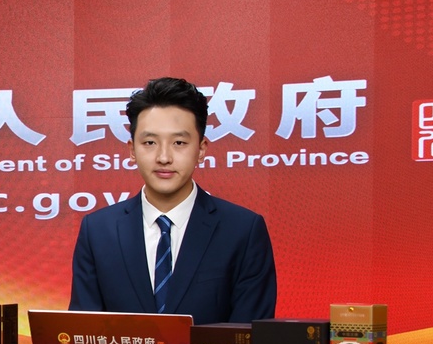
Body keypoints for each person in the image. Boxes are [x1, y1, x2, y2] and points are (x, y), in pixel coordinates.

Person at [69, 77, 277, 324]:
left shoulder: (242, 230)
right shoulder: (98, 231)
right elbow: (82, 333)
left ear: (201, 149)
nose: (164, 157)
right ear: (132, 150)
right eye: (149, 143)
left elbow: (250, 334)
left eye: (179, 143)